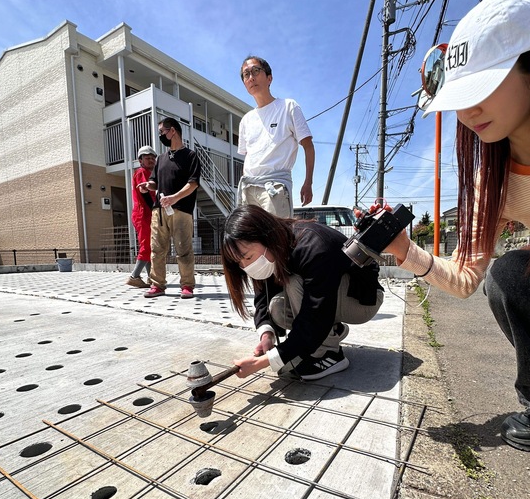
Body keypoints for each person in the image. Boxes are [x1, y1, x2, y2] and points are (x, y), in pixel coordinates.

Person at [382, 0, 530, 455]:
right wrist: (405, 252)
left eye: (485, 86)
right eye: (460, 94)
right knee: (509, 274)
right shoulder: (491, 177)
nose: (469, 109)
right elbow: (468, 277)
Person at [221, 205, 384, 381]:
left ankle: (329, 353)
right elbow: (263, 298)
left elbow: (315, 314)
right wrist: (267, 335)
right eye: (239, 263)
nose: (246, 267)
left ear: (266, 236)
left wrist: (265, 361)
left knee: (292, 280)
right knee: (277, 307)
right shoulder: (273, 250)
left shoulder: (312, 244)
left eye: (247, 257)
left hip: (362, 300)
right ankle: (330, 332)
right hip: (328, 301)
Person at [237, 56, 315, 217]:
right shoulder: (246, 120)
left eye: (256, 71)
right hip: (248, 187)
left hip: (275, 186)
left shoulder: (288, 107)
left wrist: (308, 182)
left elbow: (308, 146)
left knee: (276, 240)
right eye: (246, 74)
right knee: (250, 240)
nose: (251, 77)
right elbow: (248, 157)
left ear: (269, 78)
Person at [138, 117, 201, 299]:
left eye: (162, 132)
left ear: (172, 131)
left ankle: (187, 285)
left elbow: (193, 183)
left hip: (181, 210)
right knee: (157, 249)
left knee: (184, 249)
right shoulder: (161, 159)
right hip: (159, 211)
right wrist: (147, 186)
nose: (160, 136)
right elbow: (155, 182)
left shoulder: (190, 156)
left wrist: (174, 198)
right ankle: (157, 285)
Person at [126, 145, 157, 288]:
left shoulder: (147, 172)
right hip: (143, 213)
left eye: (153, 158)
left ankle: (152, 278)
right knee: (146, 246)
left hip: (144, 213)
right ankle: (134, 276)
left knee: (149, 246)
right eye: (147, 158)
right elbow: (145, 193)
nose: (151, 160)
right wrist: (156, 208)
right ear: (140, 160)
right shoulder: (142, 172)